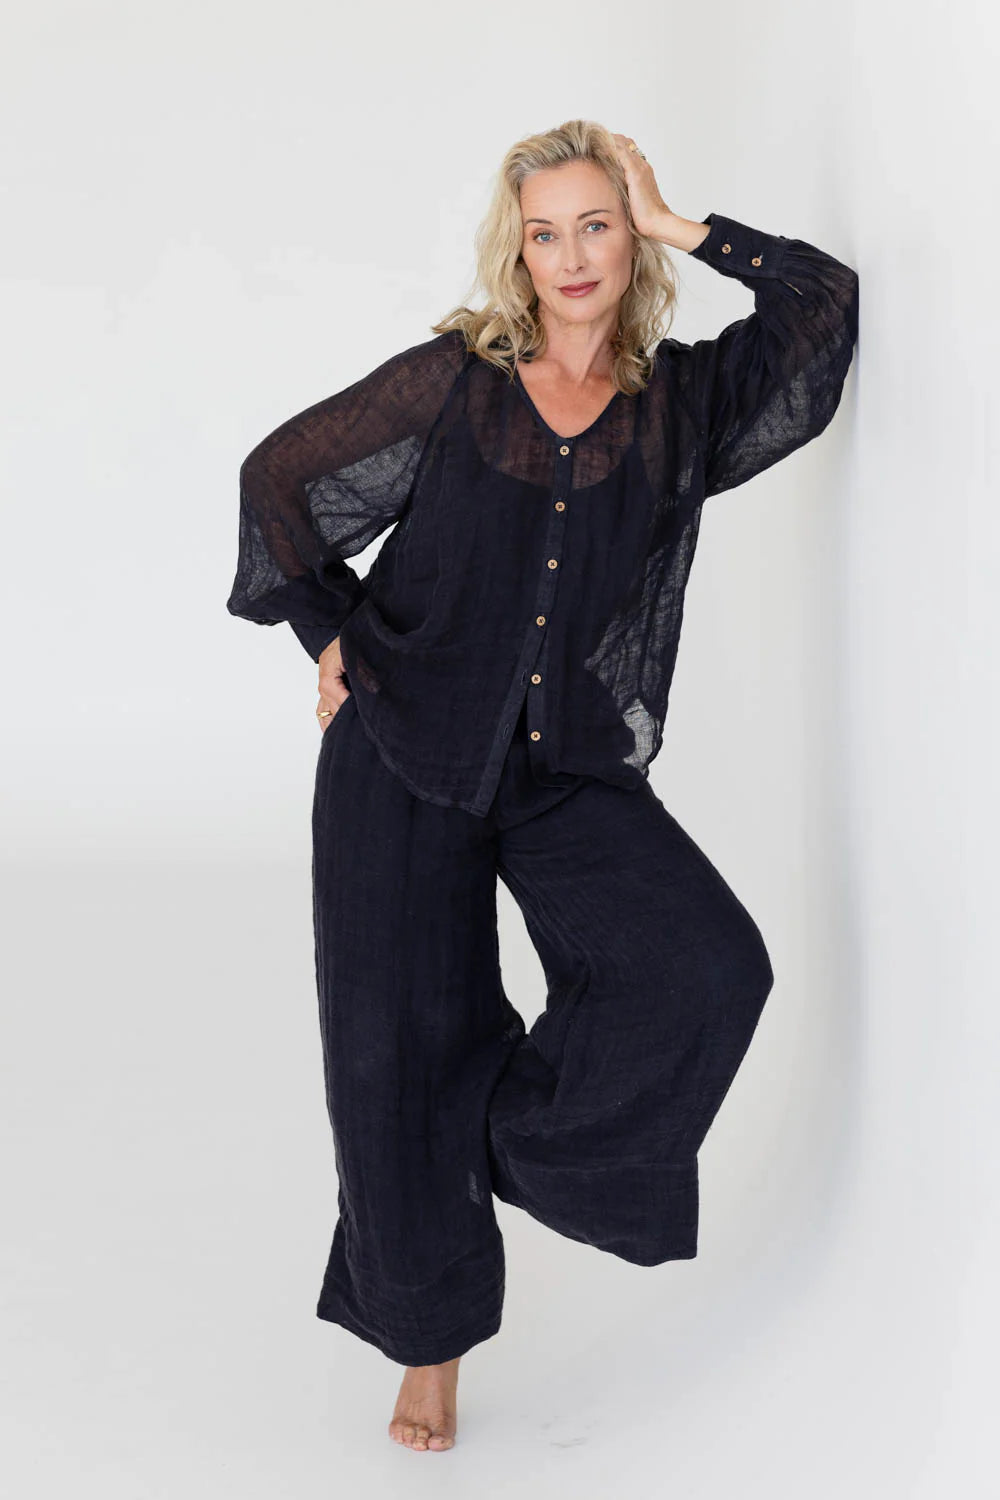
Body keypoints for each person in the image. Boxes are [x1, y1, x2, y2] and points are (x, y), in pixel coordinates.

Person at [226, 119, 860, 1453]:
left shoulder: (686, 403)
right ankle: (429, 1348)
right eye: (545, 232)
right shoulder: (455, 383)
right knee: (393, 1053)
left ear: (630, 239)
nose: (572, 256)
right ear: (515, 252)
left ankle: (504, 1141)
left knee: (704, 968)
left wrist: (686, 222)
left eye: (598, 224)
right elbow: (278, 483)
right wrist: (331, 633)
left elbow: (821, 309)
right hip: (401, 750)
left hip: (566, 767)